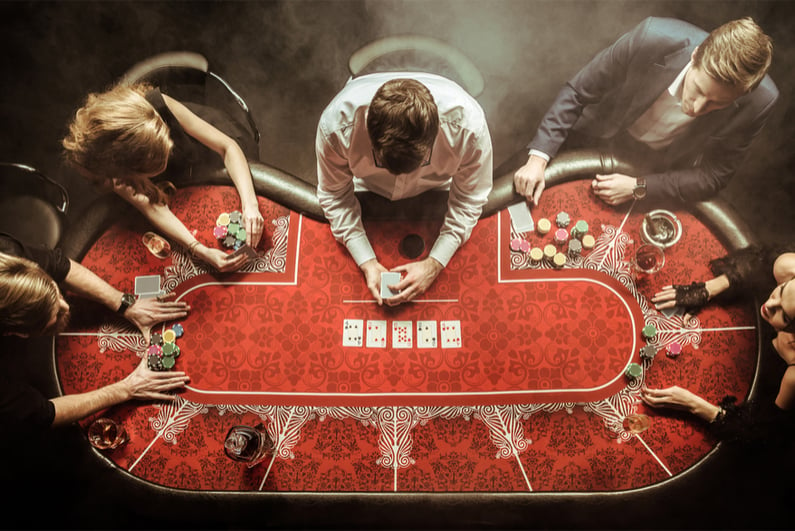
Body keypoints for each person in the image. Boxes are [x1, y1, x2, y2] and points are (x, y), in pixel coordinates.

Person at [513, 16, 777, 207]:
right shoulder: (653, 36)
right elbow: (578, 92)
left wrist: (640, 187)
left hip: (653, 169)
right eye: (697, 89)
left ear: (743, 94)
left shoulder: (759, 101)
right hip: (589, 136)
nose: (696, 109)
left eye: (716, 104)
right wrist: (538, 159)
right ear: (695, 56)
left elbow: (712, 176)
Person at [316, 73, 493, 305]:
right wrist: (367, 261)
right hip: (366, 189)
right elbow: (335, 195)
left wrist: (435, 263)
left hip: (439, 189)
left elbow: (469, 199)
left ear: (435, 135)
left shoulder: (469, 128)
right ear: (369, 134)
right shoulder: (337, 128)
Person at [62, 82, 265, 272]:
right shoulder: (111, 167)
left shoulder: (153, 105)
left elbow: (227, 146)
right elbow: (151, 205)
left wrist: (250, 206)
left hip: (214, 150)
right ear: (130, 172)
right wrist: (200, 249)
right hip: (182, 179)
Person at [0, 233, 190, 433]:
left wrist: (125, 304)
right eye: (55, 315)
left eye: (56, 293)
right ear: (18, 334)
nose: (66, 306)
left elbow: (59, 265)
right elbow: (44, 414)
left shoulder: (7, 254)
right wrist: (128, 388)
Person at [642, 245, 795, 441]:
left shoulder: (792, 377)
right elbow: (759, 262)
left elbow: (763, 435)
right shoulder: (788, 267)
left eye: (784, 314)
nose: (770, 305)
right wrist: (710, 288)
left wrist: (694, 404)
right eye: (781, 291)